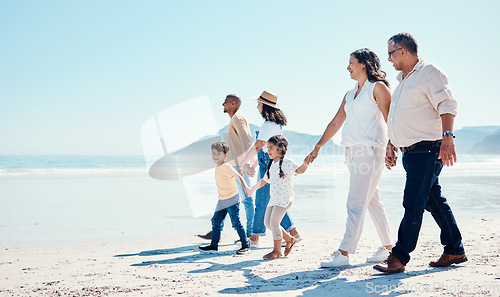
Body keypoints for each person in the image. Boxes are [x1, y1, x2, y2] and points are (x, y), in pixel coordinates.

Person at [373, 32, 466, 274]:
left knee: (412, 203)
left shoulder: (429, 72)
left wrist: (448, 137)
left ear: (403, 51)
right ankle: (455, 249)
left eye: (391, 54)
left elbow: (447, 104)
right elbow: (397, 117)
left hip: (428, 148)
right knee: (433, 201)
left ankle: (400, 256)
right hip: (411, 151)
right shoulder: (403, 80)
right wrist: (392, 144)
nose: (389, 59)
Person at [305, 48, 393, 267]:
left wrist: (392, 145)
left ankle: (344, 253)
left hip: (370, 151)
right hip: (351, 152)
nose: (348, 67)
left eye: (351, 62)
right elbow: (336, 122)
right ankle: (390, 248)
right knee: (372, 201)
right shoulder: (350, 93)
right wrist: (318, 146)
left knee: (355, 202)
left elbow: (390, 118)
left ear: (363, 63)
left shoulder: (378, 88)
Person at [238, 91, 301, 248]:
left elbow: (259, 146)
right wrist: (254, 165)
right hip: (268, 162)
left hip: (268, 163)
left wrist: (242, 162)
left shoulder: (268, 125)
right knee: (274, 200)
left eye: (259, 104)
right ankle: (293, 233)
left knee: (262, 201)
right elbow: (267, 150)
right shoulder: (274, 125)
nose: (257, 106)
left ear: (265, 106)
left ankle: (255, 238)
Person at [197, 95, 255, 241]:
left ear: (233, 103)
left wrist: (247, 163)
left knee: (246, 199)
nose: (223, 104)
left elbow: (246, 140)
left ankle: (250, 233)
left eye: (225, 102)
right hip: (232, 164)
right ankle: (216, 230)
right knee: (224, 197)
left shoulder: (238, 118)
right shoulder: (234, 118)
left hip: (238, 165)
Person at [246, 135, 309, 259]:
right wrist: (252, 188)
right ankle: (290, 239)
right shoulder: (272, 165)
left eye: (271, 148)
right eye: (268, 148)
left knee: (274, 223)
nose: (268, 151)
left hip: (285, 198)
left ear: (280, 149)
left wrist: (305, 163)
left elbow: (300, 170)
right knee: (268, 223)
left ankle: (277, 251)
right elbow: (264, 180)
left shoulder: (287, 162)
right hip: (274, 199)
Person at [198, 142, 251, 255]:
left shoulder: (227, 166)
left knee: (236, 223)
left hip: (232, 199)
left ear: (225, 155)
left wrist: (246, 187)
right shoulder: (218, 167)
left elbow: (239, 176)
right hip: (221, 200)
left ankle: (245, 245)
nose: (215, 156)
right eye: (213, 153)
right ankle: (214, 245)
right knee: (216, 221)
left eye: (218, 153)